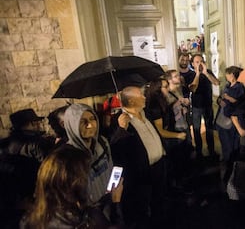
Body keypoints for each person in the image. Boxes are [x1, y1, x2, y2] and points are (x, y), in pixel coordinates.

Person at [20, 145, 124, 229]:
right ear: (76, 183)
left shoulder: (30, 220)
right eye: (85, 174)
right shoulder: (88, 221)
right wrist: (115, 203)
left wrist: (106, 199)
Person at [110, 85, 167, 229]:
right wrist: (121, 129)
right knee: (143, 208)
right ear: (131, 101)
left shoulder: (144, 113)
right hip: (142, 173)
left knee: (159, 201)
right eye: (141, 95)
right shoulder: (120, 120)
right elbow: (116, 147)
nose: (145, 97)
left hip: (158, 166)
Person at [0, 108, 55, 228]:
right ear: (31, 123)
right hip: (35, 194)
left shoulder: (4, 143)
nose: (39, 125)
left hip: (14, 199)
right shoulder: (37, 143)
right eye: (36, 122)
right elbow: (48, 169)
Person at [145, 77, 191, 191]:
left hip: (167, 137)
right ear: (157, 89)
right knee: (172, 164)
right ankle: (174, 187)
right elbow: (160, 131)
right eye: (165, 87)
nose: (168, 89)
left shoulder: (162, 102)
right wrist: (178, 135)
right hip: (163, 141)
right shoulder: (155, 106)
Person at [64, 103, 113, 204]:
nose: (90, 125)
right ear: (72, 125)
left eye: (92, 119)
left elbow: (110, 167)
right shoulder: (67, 157)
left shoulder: (102, 142)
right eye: (82, 121)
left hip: (110, 201)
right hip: (89, 212)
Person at [179, 53, 220, 159]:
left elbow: (216, 83)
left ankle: (211, 150)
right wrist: (197, 74)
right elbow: (193, 89)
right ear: (192, 64)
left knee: (209, 129)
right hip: (197, 106)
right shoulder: (190, 75)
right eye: (197, 62)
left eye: (201, 61)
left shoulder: (208, 72)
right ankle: (199, 152)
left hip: (208, 105)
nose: (200, 64)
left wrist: (206, 73)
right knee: (196, 130)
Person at [216, 66, 245, 182]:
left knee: (233, 146)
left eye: (228, 74)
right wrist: (220, 101)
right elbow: (220, 98)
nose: (226, 76)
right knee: (226, 147)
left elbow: (240, 102)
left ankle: (231, 172)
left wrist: (228, 97)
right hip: (223, 120)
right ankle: (227, 172)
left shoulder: (239, 87)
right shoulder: (227, 86)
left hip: (233, 121)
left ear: (233, 75)